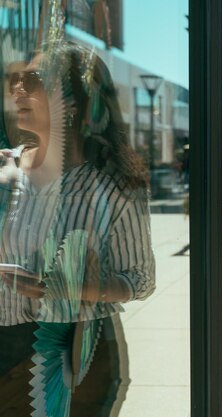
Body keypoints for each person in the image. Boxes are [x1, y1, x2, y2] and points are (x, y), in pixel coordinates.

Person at [0, 42, 155, 416]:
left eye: (34, 80)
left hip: (78, 352)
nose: (18, 89)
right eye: (17, 79)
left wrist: (73, 287)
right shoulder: (3, 171)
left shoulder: (115, 186)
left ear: (71, 103)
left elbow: (141, 279)